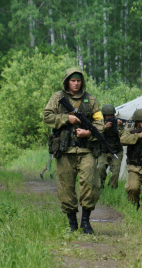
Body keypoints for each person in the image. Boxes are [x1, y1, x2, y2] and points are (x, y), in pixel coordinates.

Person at [43, 68, 104, 234]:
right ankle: (72, 223)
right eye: (73, 80)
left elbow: (100, 123)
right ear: (67, 81)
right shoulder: (57, 98)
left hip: (86, 150)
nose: (76, 83)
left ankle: (86, 221)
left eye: (78, 80)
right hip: (65, 151)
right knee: (66, 188)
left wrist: (88, 133)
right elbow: (47, 117)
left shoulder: (91, 100)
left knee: (91, 185)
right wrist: (66, 118)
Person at [98, 104, 124, 189]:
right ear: (104, 116)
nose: (110, 117)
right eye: (107, 115)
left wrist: (120, 126)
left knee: (116, 173)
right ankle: (100, 187)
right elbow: (94, 135)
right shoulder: (99, 123)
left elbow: (123, 137)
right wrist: (104, 127)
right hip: (103, 152)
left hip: (116, 152)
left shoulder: (116, 123)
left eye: (111, 115)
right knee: (101, 169)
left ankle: (112, 189)